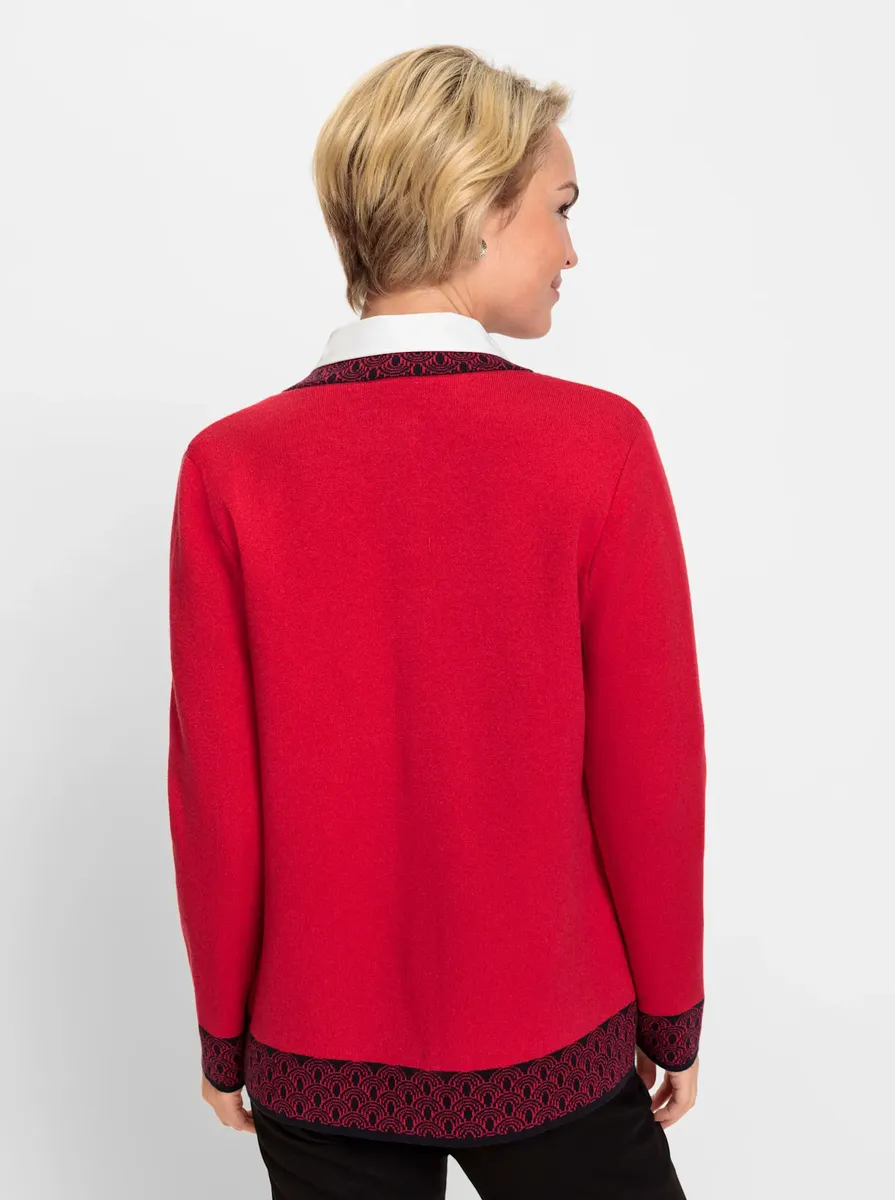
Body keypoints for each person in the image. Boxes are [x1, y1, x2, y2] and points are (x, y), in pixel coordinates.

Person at [166, 44, 706, 1199]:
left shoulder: (230, 469)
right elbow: (648, 765)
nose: (571, 249)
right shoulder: (598, 446)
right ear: (477, 211)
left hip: (317, 1054)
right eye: (559, 208)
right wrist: (670, 1008)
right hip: (553, 1036)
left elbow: (218, 795)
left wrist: (223, 1029)